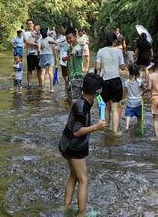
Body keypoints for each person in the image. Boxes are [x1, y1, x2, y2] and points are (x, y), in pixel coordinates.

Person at [59, 73, 107, 215]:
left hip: (66, 143)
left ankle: (66, 206)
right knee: (84, 180)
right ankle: (82, 213)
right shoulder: (82, 107)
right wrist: (96, 127)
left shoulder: (83, 100)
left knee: (73, 176)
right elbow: (77, 131)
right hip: (74, 145)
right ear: (98, 91)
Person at [95, 34, 126, 133]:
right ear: (114, 41)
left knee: (106, 108)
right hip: (116, 81)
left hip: (104, 81)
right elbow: (122, 67)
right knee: (115, 108)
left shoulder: (100, 51)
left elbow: (97, 67)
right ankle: (115, 132)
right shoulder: (118, 51)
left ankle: (105, 130)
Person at [64, 27, 85, 100]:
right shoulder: (69, 48)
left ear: (75, 37)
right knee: (71, 98)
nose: (68, 40)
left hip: (77, 77)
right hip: (71, 76)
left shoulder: (79, 47)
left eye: (70, 38)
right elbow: (69, 61)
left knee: (76, 99)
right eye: (67, 39)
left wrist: (71, 53)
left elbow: (76, 53)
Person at [123, 65, 146, 131]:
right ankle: (139, 126)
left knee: (128, 115)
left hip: (130, 102)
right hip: (138, 102)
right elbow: (144, 89)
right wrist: (143, 92)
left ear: (129, 73)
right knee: (139, 116)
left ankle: (126, 127)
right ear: (138, 73)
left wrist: (123, 99)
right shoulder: (140, 81)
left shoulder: (126, 82)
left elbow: (125, 92)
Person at [23, 19, 40, 87]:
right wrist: (36, 44)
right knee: (29, 69)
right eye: (28, 23)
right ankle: (29, 84)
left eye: (31, 23)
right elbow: (27, 42)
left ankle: (40, 83)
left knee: (39, 69)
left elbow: (40, 41)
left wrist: (38, 45)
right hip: (30, 53)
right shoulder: (26, 33)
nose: (29, 24)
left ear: (33, 24)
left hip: (38, 53)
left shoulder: (37, 32)